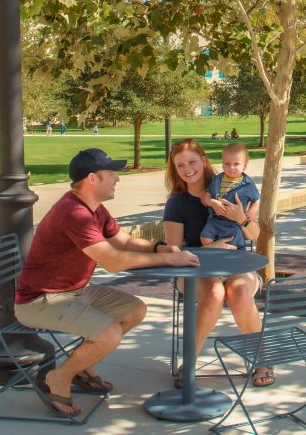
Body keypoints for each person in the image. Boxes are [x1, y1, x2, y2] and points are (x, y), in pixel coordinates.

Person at [15, 147, 197, 418]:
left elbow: (122, 241)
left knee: (135, 309)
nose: (117, 178)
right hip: (41, 300)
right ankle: (60, 377)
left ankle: (83, 367)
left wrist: (160, 249)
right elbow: (113, 261)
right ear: (92, 178)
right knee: (109, 333)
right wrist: (169, 261)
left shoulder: (94, 209)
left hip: (74, 292)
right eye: (111, 172)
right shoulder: (74, 213)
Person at [161, 139, 269, 387]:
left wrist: (240, 218)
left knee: (239, 290)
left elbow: (254, 236)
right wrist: (208, 249)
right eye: (180, 166)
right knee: (214, 291)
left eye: (192, 162)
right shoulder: (177, 202)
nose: (187, 169)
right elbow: (174, 251)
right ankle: (189, 363)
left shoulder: (236, 187)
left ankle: (263, 360)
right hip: (193, 268)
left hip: (236, 264)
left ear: (204, 161)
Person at [201, 142, 260, 246]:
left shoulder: (247, 184)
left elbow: (256, 200)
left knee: (233, 244)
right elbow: (206, 197)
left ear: (245, 165)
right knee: (205, 239)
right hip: (215, 220)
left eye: (236, 164)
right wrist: (213, 202)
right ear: (222, 164)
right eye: (227, 164)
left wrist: (251, 212)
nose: (231, 167)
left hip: (234, 223)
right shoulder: (217, 180)